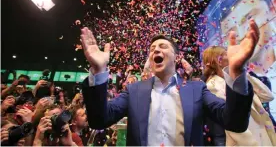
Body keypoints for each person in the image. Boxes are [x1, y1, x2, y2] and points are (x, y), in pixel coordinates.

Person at [80, 19, 259, 146]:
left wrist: (236, 72)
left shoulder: (197, 89)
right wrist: (98, 71)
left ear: (176, 57)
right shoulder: (134, 90)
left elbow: (235, 122)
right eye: (151, 49)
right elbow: (99, 120)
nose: (155, 50)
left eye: (162, 46)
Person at [203, 45, 276, 146]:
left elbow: (268, 96)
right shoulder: (213, 86)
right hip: (248, 142)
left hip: (262, 135)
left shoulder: (239, 80)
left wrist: (243, 75)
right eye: (226, 53)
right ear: (219, 61)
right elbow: (233, 121)